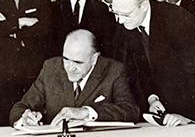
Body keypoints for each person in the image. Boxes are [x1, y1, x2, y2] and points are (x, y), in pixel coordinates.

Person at [111, 0, 195, 126]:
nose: (120, 20)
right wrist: (152, 98)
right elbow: (140, 70)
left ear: (143, 5)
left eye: (126, 14)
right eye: (116, 12)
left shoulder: (177, 20)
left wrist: (186, 115)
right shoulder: (129, 24)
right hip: (170, 110)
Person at [9, 29, 140, 126]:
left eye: (78, 62)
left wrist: (86, 112)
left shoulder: (113, 70)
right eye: (66, 59)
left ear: (94, 58)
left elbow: (131, 110)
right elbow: (19, 107)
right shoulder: (51, 68)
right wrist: (24, 117)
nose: (70, 68)